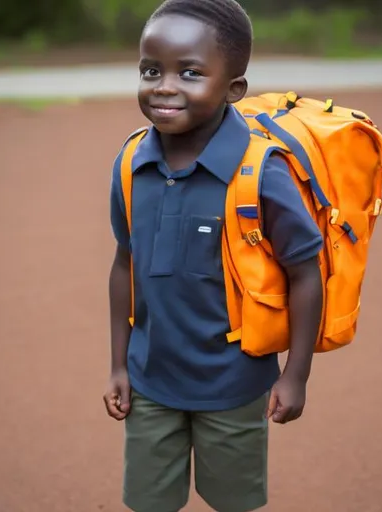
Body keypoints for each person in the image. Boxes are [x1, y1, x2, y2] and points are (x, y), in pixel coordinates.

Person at [104, 0, 324, 510]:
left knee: (234, 502)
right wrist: (118, 364)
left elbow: (305, 274)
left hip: (233, 385)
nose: (163, 86)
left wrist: (296, 373)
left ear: (233, 89)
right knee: (148, 501)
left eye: (190, 73)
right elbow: (124, 262)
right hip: (150, 379)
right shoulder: (131, 163)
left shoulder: (261, 175)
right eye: (150, 70)